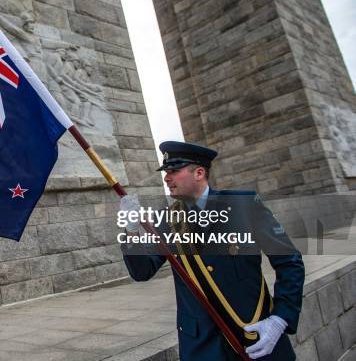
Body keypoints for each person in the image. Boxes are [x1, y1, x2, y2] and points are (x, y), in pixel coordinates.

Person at [120, 141, 304, 360]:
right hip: (202, 346)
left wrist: (279, 319)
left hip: (256, 334)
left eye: (174, 171)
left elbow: (289, 261)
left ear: (199, 173)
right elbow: (142, 272)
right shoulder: (167, 220)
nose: (166, 178)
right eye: (166, 172)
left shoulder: (244, 205)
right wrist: (131, 230)